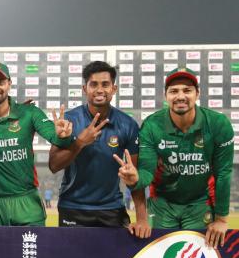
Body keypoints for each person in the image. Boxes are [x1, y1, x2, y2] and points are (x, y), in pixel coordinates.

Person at [116, 67, 234, 248]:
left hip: (199, 203)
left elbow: (223, 173)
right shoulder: (152, 125)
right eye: (174, 91)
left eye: (187, 90)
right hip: (162, 203)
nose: (180, 96)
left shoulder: (218, 124)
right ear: (165, 96)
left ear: (197, 94)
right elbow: (147, 171)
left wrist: (221, 219)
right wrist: (136, 179)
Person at [0, 62, 73, 226]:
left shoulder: (29, 113)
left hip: (26, 202)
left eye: (0, 82)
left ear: (9, 84)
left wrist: (63, 135)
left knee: (32, 252)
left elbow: (54, 136)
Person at [48, 61, 149, 237]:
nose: (100, 90)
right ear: (84, 89)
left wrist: (141, 218)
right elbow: (54, 165)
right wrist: (80, 142)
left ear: (114, 89)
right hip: (73, 207)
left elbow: (134, 176)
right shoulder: (70, 120)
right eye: (93, 84)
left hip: (112, 208)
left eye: (105, 84)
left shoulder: (128, 125)